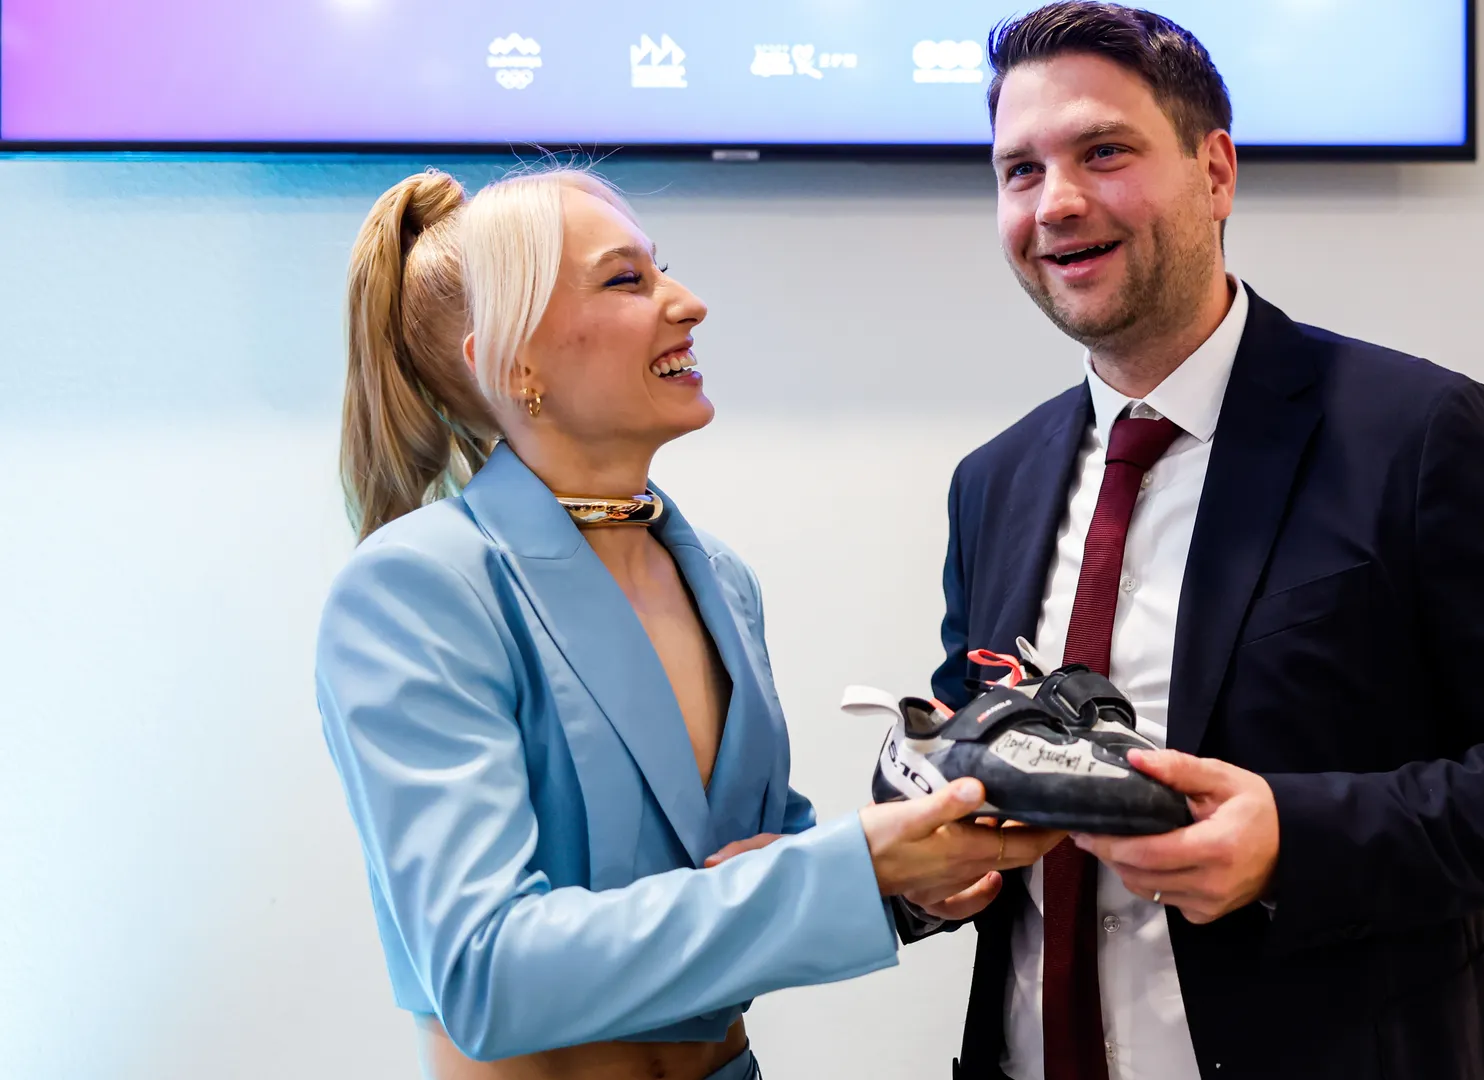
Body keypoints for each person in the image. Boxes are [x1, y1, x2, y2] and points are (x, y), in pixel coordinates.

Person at [900, 5, 1484, 1079]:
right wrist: (915, 869)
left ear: (1215, 172)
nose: (1056, 201)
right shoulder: (994, 481)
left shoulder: (1422, 436)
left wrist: (1291, 842)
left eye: (1104, 152)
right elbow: (977, 760)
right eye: (1019, 170)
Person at [315, 165, 1061, 1080]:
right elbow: (486, 973)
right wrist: (854, 868)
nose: (689, 302)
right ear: (514, 364)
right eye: (627, 279)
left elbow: (751, 866)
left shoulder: (721, 580)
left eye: (661, 269)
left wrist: (913, 882)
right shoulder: (419, 587)